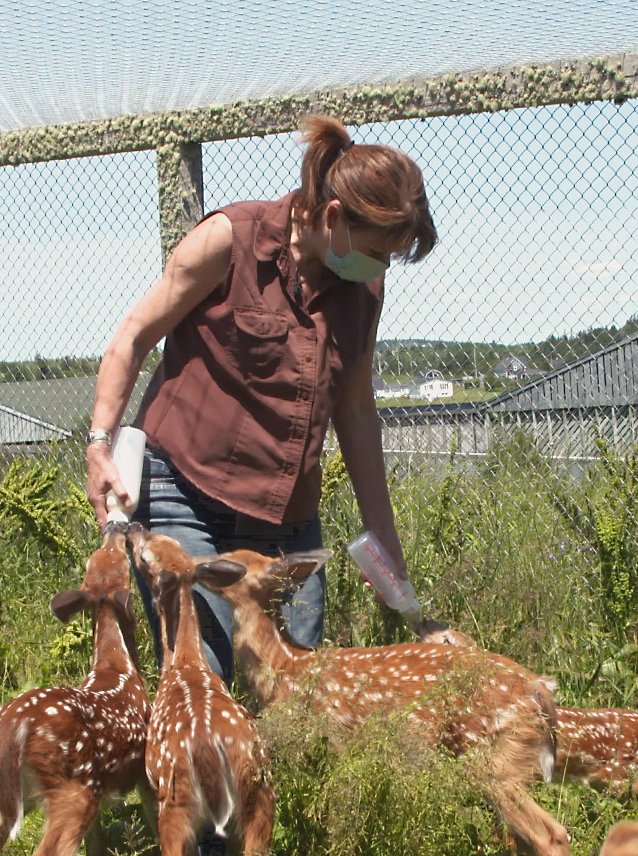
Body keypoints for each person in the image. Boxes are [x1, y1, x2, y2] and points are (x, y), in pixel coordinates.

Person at [85, 114, 436, 682]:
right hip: (184, 490)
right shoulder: (230, 238)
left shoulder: (363, 286)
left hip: (286, 517)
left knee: (298, 689)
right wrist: (100, 444)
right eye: (376, 250)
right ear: (333, 217)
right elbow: (133, 336)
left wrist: (384, 540)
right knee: (205, 672)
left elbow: (355, 409)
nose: (379, 266)